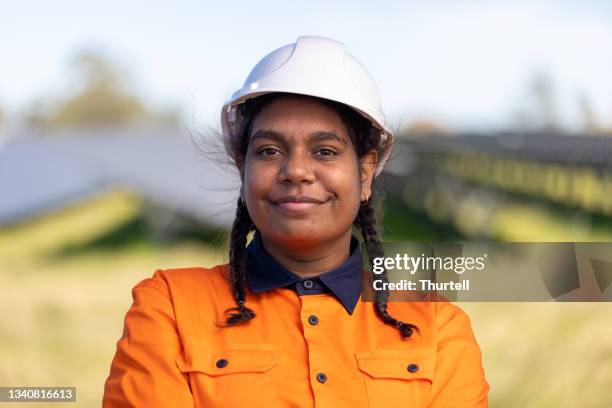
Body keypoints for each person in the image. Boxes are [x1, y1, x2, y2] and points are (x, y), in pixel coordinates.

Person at [103, 36, 489, 407]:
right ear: (244, 170)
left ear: (366, 173)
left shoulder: (438, 326)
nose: (297, 171)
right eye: (269, 151)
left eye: (324, 151)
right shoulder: (169, 306)